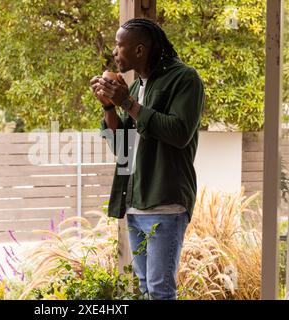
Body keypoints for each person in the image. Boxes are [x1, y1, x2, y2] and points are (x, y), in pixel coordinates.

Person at [90, 18, 205, 300]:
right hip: (135, 202)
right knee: (145, 289)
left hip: (165, 201)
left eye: (120, 45)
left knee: (160, 291)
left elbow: (179, 133)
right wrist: (109, 107)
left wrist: (127, 104)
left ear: (139, 50)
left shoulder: (184, 79)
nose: (115, 52)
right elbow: (123, 149)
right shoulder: (137, 86)